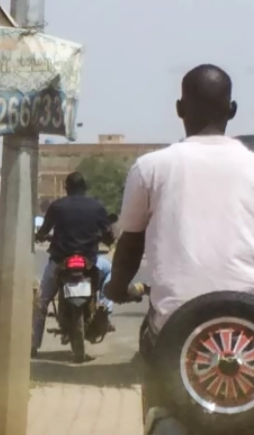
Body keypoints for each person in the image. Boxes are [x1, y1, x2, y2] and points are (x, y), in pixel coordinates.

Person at [104, 65, 254, 402]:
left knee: (156, 381)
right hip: (247, 323)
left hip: (174, 326)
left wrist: (117, 288)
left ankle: (156, 414)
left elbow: (131, 242)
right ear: (232, 110)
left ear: (179, 109)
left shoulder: (151, 167)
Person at [32, 171, 115, 362]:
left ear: (66, 188)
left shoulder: (57, 206)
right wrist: (106, 239)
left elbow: (43, 231)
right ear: (84, 188)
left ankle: (33, 345)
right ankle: (105, 308)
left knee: (42, 301)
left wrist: (40, 236)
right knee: (110, 271)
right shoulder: (97, 207)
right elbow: (108, 235)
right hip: (89, 262)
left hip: (60, 261)